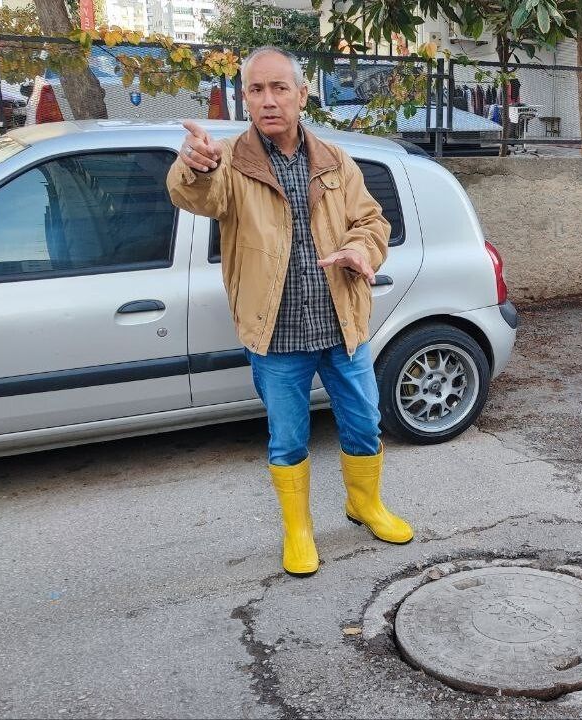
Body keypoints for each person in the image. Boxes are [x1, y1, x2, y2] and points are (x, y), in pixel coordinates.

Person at [167, 46, 413, 579]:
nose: (268, 99)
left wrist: (361, 251)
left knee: (365, 423)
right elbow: (195, 197)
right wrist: (195, 167)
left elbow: (372, 222)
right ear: (245, 98)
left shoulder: (334, 160)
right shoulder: (229, 160)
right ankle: (298, 529)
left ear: (303, 95)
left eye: (280, 88)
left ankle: (364, 504)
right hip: (276, 334)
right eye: (256, 89)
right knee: (287, 437)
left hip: (341, 324)